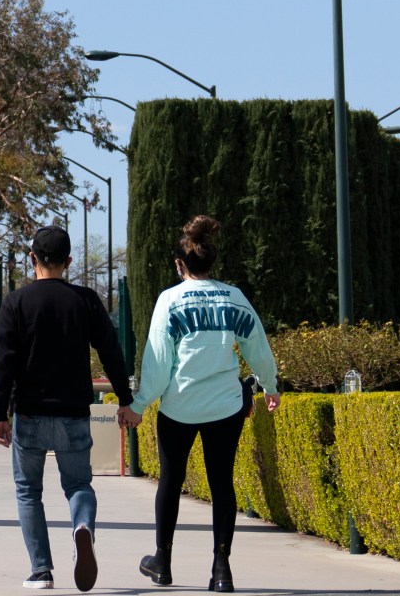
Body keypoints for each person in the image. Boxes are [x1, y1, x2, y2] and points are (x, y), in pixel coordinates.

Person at [126, 215, 278, 592]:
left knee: (171, 481)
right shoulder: (234, 297)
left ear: (180, 264)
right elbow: (257, 347)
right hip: (225, 408)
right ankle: (221, 569)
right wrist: (270, 386)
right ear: (211, 262)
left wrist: (140, 403)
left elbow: (159, 361)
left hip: (179, 408)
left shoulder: (170, 300)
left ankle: (162, 562)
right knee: (221, 483)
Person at [0, 224, 138, 591]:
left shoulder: (16, 303)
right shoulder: (86, 300)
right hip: (74, 412)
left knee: (28, 490)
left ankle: (41, 570)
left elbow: (4, 361)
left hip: (29, 412)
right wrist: (125, 398)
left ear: (32, 258)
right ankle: (82, 527)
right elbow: (111, 352)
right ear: (69, 261)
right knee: (78, 484)